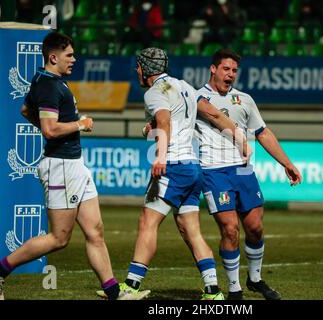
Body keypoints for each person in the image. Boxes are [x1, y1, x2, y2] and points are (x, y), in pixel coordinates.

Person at [0, 32, 132, 301]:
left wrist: (61, 127)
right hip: (61, 166)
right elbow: (50, 129)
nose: (74, 59)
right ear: (54, 57)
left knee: (95, 231)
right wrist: (80, 124)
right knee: (59, 238)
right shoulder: (50, 85)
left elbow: (26, 111)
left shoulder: (45, 80)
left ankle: (113, 293)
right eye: (69, 55)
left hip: (74, 164)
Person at [96, 47, 248, 300]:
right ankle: (212, 291)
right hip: (192, 167)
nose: (136, 71)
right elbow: (211, 113)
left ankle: (131, 287)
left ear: (145, 69)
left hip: (174, 166)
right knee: (191, 230)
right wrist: (240, 137)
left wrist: (160, 156)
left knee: (148, 222)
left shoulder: (155, 92)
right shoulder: (184, 86)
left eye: (138, 66)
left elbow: (165, 120)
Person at [196, 49, 302, 300]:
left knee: (254, 227)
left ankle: (255, 279)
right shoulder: (197, 97)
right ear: (213, 69)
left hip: (243, 171)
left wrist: (286, 163)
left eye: (234, 70)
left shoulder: (244, 99)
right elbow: (174, 119)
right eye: (226, 69)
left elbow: (263, 133)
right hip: (214, 171)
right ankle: (234, 289)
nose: (230, 74)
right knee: (230, 229)